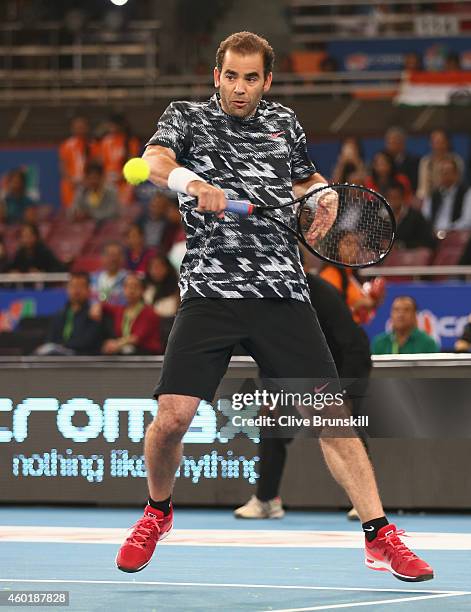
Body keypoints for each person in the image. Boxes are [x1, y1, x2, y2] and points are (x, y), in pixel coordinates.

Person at [115, 31, 433, 583]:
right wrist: (196, 183)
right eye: (232, 76)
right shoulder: (186, 117)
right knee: (172, 421)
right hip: (212, 293)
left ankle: (380, 535)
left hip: (282, 292)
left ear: (268, 80)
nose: (241, 88)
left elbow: (304, 179)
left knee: (331, 416)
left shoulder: (284, 122)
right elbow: (155, 160)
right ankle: (157, 513)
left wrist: (321, 193)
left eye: (252, 78)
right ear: (217, 76)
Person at [234, 270, 372, 521]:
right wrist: (270, 394)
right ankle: (266, 501)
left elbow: (350, 342)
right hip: (297, 367)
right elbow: (268, 349)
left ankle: (363, 502)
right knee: (272, 424)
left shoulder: (322, 294)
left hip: (342, 362)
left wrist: (345, 391)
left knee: (341, 426)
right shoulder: (264, 296)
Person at [319, 231, 384, 324]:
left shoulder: (351, 274)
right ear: (335, 247)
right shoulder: (329, 275)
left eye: (357, 244)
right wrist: (357, 305)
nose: (355, 248)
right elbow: (331, 315)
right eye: (348, 243)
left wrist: (374, 300)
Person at [36, 272, 106, 356]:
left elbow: (87, 342)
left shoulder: (94, 313)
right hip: (58, 359)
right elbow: (50, 339)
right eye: (72, 286)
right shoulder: (60, 314)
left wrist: (61, 347)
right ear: (67, 289)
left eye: (80, 286)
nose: (76, 290)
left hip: (84, 360)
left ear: (88, 290)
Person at [91, 273, 161, 355]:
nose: (131, 290)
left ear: (142, 290)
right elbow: (104, 305)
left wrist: (116, 344)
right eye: (127, 287)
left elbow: (137, 338)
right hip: (126, 352)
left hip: (146, 354)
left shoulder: (149, 312)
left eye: (135, 287)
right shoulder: (121, 309)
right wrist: (96, 306)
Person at [371, 296, 440, 354]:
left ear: (415, 315)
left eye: (406, 310)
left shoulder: (427, 343)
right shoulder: (379, 343)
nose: (400, 315)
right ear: (391, 314)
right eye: (396, 310)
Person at [422, 157, 471, 232]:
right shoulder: (433, 194)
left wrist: (448, 229)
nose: (444, 175)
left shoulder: (467, 193)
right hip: (434, 233)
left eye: (447, 172)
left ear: (456, 174)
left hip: (455, 233)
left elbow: (467, 220)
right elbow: (425, 216)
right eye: (442, 172)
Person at [59, 116, 99, 208]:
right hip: (71, 185)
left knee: (90, 208)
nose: (80, 129)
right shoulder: (66, 145)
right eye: (77, 127)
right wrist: (71, 181)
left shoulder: (92, 144)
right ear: (72, 128)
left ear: (87, 128)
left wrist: (89, 180)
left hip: (88, 184)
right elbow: (63, 165)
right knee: (71, 210)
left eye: (82, 126)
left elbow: (96, 164)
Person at [417, 129, 465, 200]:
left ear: (448, 143)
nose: (439, 145)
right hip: (429, 199)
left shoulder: (456, 160)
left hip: (451, 198)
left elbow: (458, 183)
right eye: (436, 142)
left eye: (442, 142)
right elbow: (422, 187)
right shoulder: (425, 161)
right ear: (430, 144)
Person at [386, 182, 436, 249]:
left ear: (403, 197)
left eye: (396, 197)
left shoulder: (416, 217)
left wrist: (402, 245)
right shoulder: (380, 218)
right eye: (390, 197)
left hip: (409, 255)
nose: (393, 201)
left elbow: (428, 241)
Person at [384, 127, 419, 192]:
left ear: (403, 143)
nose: (390, 144)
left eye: (394, 141)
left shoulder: (413, 161)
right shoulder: (382, 160)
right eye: (388, 141)